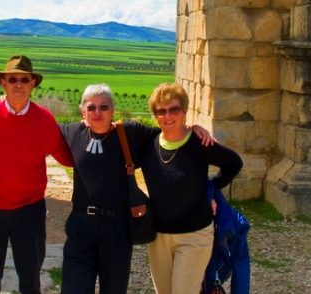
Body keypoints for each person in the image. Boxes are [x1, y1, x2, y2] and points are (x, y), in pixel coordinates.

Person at [59, 83, 216, 294]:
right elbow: (41, 132)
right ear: (82, 111)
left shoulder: (130, 133)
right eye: (91, 107)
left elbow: (168, 129)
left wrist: (192, 128)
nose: (97, 112)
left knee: (114, 289)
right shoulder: (72, 131)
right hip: (81, 226)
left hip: (117, 227)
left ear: (113, 110)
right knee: (73, 289)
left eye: (104, 107)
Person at [0, 55, 74, 294]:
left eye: (24, 79)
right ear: (3, 83)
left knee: (30, 282)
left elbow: (68, 157)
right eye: (13, 79)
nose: (18, 84)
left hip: (29, 211)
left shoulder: (44, 119)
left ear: (33, 84)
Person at [139, 82, 243, 294]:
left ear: (184, 111)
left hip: (194, 235)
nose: (168, 116)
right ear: (155, 115)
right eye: (161, 111)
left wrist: (212, 188)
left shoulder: (198, 142)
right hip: (159, 237)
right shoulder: (149, 144)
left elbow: (233, 163)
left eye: (174, 109)